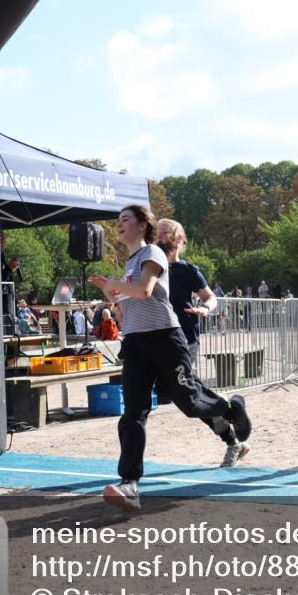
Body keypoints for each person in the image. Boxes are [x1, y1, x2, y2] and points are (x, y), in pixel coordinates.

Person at [88, 204, 253, 511]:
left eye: (125, 220)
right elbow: (129, 299)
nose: (118, 225)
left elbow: (146, 290)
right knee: (133, 412)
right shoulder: (130, 262)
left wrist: (115, 286)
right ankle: (130, 484)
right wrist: (111, 295)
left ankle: (231, 408)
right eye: (118, 220)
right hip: (136, 343)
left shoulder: (153, 253)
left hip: (165, 339)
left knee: (189, 404)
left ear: (141, 226)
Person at [155, 218, 217, 368]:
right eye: (156, 234)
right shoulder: (149, 268)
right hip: (157, 337)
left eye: (164, 232)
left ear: (180, 238)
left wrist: (205, 308)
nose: (158, 237)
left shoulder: (189, 271)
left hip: (185, 336)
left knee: (182, 386)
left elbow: (210, 297)